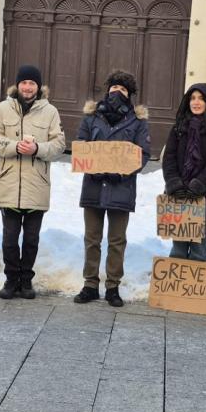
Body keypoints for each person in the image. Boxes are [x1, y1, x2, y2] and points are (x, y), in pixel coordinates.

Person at [0, 64, 66, 299]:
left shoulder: (50, 112)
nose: (27, 87)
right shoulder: (2, 109)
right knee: (9, 239)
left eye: (32, 83)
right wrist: (13, 146)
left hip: (36, 185)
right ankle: (11, 280)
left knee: (31, 239)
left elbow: (59, 144)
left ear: (38, 87)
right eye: (24, 83)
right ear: (17, 85)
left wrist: (38, 148)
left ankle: (26, 281)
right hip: (9, 183)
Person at [75, 71, 152, 307]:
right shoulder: (91, 117)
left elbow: (143, 154)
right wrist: (93, 167)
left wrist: (123, 170)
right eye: (115, 87)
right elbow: (81, 145)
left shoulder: (138, 122)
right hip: (94, 187)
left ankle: (113, 286)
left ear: (130, 94)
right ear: (108, 89)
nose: (118, 92)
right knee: (92, 238)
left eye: (123, 89)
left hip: (122, 188)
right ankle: (90, 284)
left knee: (117, 240)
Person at [161, 82, 206, 261]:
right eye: (192, 98)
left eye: (200, 98)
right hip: (179, 195)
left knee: (199, 250)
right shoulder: (178, 127)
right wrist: (174, 183)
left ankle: (194, 290)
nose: (196, 102)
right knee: (178, 250)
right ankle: (175, 289)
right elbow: (168, 158)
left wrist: (198, 185)